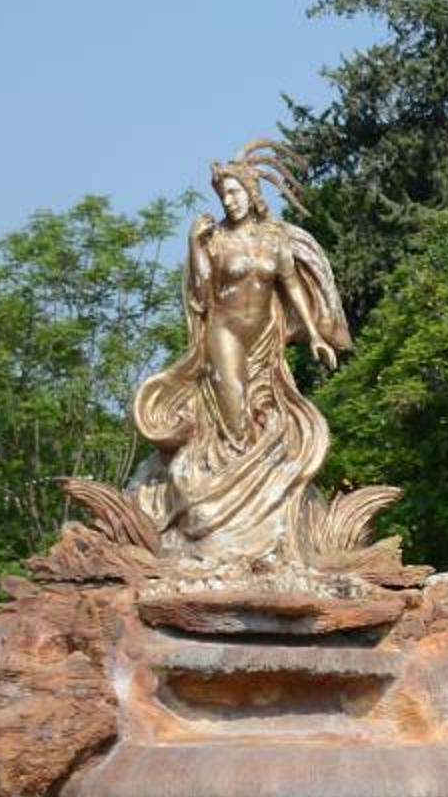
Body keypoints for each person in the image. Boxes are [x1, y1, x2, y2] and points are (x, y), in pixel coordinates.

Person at [129, 141, 354, 568]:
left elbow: (291, 286)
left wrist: (314, 335)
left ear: (251, 194)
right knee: (234, 410)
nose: (228, 201)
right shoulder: (216, 239)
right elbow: (201, 293)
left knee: (263, 411)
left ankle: (263, 505)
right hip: (225, 332)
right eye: (223, 195)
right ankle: (230, 504)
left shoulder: (274, 240)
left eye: (234, 193)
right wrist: (194, 246)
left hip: (264, 337)